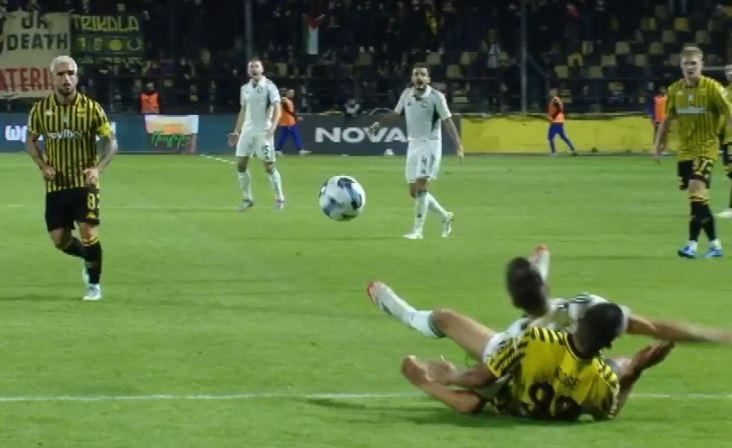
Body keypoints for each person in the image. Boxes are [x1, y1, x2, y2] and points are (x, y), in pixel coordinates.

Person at [400, 305, 674, 420]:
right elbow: (608, 413)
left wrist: (450, 375)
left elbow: (483, 377)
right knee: (621, 365)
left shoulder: (538, 339)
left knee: (445, 318)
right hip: (532, 411)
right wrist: (635, 372)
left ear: (580, 320)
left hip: (504, 397)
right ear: (609, 343)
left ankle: (428, 380)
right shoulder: (604, 381)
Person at [25, 55, 118, 301]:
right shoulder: (40, 110)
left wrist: (97, 169)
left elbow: (111, 142)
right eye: (61, 74)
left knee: (88, 232)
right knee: (60, 240)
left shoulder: (91, 108)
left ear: (76, 77)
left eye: (71, 73)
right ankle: (89, 258)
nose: (66, 78)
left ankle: (94, 286)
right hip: (56, 185)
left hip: (85, 184)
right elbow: (30, 141)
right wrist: (42, 165)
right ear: (52, 78)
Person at [368, 64, 465, 240]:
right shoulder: (406, 94)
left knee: (421, 187)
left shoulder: (436, 97)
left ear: (428, 79)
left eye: (423, 74)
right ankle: (445, 216)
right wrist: (378, 124)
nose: (419, 77)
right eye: (416, 74)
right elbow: (395, 113)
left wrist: (458, 145)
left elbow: (448, 121)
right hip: (413, 144)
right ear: (412, 78)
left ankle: (417, 231)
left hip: (430, 144)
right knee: (414, 192)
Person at [653, 46, 732, 258]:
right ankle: (715, 245)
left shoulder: (713, 88)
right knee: (698, 199)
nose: (690, 67)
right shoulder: (675, 90)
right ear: (681, 66)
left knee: (696, 191)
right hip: (685, 150)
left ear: (701, 65)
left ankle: (691, 245)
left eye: (694, 63)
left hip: (706, 147)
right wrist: (659, 144)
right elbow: (667, 119)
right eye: (686, 63)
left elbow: (729, 113)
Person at [227, 59, 285, 211]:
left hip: (263, 132)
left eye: (256, 66)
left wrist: (273, 127)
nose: (254, 69)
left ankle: (280, 198)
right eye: (251, 67)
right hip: (247, 131)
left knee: (268, 166)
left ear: (262, 69)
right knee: (240, 164)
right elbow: (243, 110)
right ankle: (247, 199)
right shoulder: (245, 88)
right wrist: (236, 131)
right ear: (248, 71)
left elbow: (278, 109)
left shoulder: (269, 86)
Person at [717, 64, 732, 219]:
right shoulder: (724, 92)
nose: (729, 73)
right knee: (729, 170)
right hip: (727, 137)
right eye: (727, 71)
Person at [276, 88, 310, 156]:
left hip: (290, 121)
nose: (292, 94)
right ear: (287, 93)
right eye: (290, 92)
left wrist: (295, 118)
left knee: (286, 136)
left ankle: (278, 150)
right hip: (287, 122)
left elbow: (291, 111)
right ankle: (300, 150)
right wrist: (296, 117)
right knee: (293, 135)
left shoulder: (290, 101)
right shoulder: (284, 99)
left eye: (293, 93)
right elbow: (287, 110)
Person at [547, 88, 577, 155]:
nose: (550, 93)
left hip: (556, 122)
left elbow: (560, 109)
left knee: (550, 137)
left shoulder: (555, 100)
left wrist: (553, 117)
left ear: (555, 93)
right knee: (564, 137)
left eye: (552, 92)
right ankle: (573, 149)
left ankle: (553, 152)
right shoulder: (555, 100)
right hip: (559, 121)